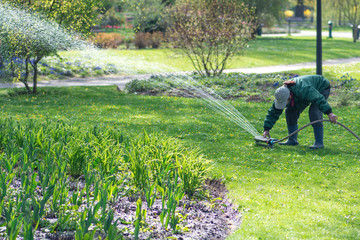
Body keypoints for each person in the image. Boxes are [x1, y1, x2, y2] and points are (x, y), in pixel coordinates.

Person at [263, 75, 338, 149]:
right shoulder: (281, 94)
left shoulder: (304, 89)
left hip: (321, 86)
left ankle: (319, 143)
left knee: (314, 111)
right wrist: (266, 129)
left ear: (289, 97)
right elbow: (274, 112)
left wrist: (329, 113)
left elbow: (318, 98)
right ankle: (292, 140)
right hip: (301, 93)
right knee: (290, 111)